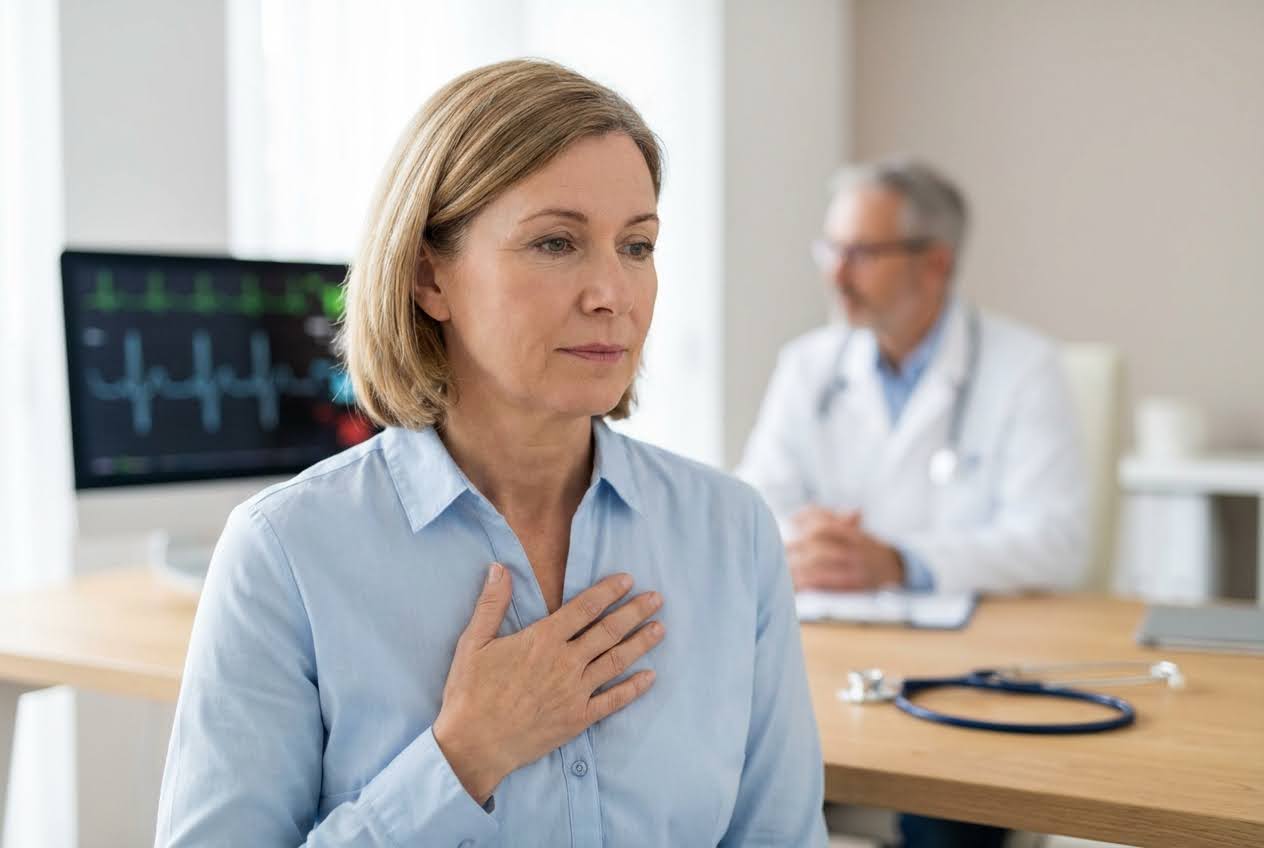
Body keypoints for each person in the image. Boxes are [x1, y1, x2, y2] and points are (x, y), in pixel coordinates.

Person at [155, 60, 826, 846]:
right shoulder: (286, 555)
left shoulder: (731, 532)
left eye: (637, 246)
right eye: (555, 242)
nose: (612, 292)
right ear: (427, 277)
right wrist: (463, 757)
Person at [738, 158, 1090, 847]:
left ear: (935, 265)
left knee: (945, 810)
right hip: (822, 661)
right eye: (831, 249)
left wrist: (897, 562)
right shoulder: (807, 365)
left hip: (967, 672)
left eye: (862, 254)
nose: (835, 273)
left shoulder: (1025, 369)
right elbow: (753, 500)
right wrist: (803, 540)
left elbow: (1056, 539)